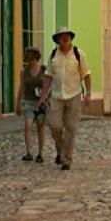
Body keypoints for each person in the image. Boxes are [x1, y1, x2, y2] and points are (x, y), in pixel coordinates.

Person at [39, 27, 90, 171]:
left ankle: (66, 159)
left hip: (74, 95)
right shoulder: (53, 55)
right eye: (61, 36)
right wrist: (43, 96)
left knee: (71, 128)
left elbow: (86, 75)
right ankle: (61, 151)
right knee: (54, 126)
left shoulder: (78, 54)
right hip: (56, 95)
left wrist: (89, 93)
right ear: (58, 39)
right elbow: (48, 76)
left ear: (70, 38)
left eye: (67, 35)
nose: (65, 38)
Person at [19, 47, 47, 162]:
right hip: (29, 102)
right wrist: (18, 103)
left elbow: (49, 85)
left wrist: (44, 96)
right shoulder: (24, 72)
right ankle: (29, 152)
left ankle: (40, 154)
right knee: (28, 126)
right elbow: (22, 88)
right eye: (27, 58)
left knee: (40, 127)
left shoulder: (43, 70)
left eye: (31, 58)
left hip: (41, 102)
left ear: (36, 58)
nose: (29, 61)